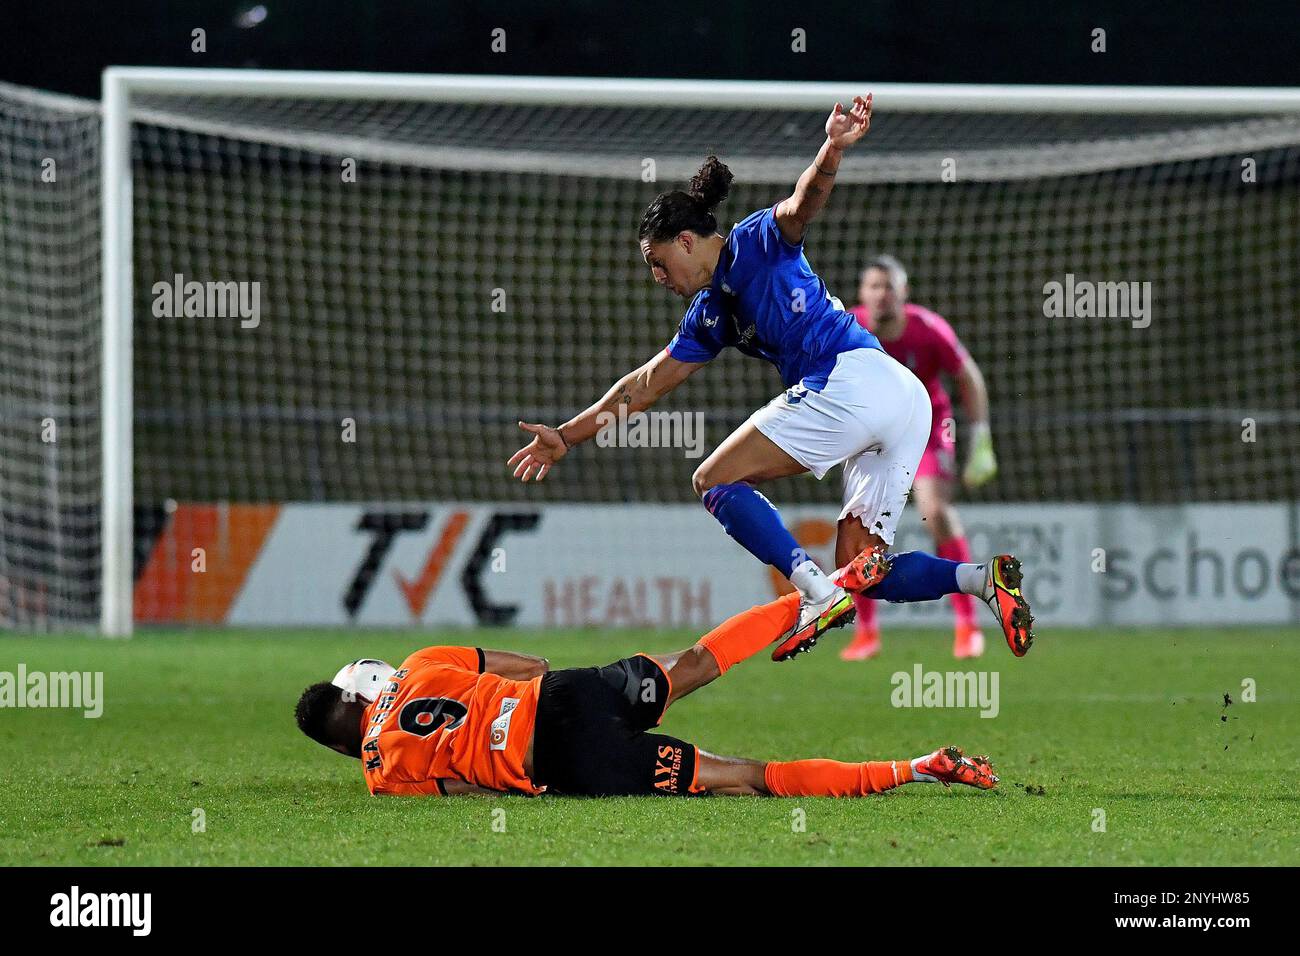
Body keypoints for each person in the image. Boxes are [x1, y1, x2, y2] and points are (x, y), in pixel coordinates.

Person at [507, 93, 1034, 660]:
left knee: (713, 480)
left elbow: (805, 201)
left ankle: (813, 593)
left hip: (851, 380)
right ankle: (984, 580)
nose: (658, 276)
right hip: (900, 398)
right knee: (862, 569)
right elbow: (646, 384)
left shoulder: (756, 240)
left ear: (686, 241)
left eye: (658, 262)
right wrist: (567, 435)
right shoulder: (708, 315)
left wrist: (832, 146)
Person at [295, 548, 999, 798]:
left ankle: (921, 765)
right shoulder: (419, 665)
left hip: (566, 759)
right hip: (564, 692)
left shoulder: (382, 773)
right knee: (695, 660)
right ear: (364, 689)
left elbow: (455, 787)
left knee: (750, 776)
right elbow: (529, 663)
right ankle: (830, 584)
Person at [843, 255, 999, 660]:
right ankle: (866, 633)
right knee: (858, 530)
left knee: (934, 511)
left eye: (889, 286)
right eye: (874, 287)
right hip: (875, 433)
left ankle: (968, 626)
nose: (882, 295)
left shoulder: (928, 329)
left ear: (904, 293)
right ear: (863, 294)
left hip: (927, 428)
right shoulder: (849, 326)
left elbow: (969, 376)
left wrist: (980, 438)